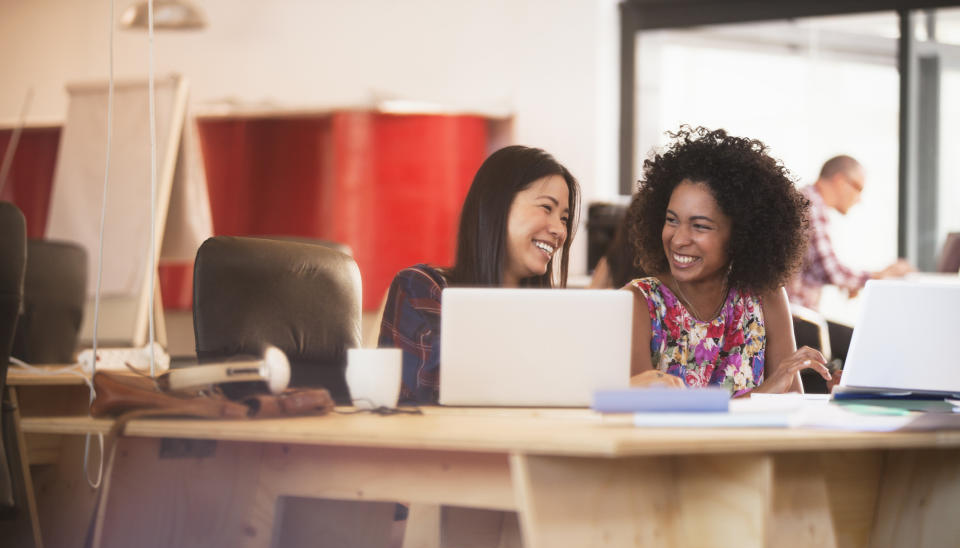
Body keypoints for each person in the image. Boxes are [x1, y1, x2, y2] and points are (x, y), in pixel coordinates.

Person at [625, 126, 830, 396]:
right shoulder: (638, 303)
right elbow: (642, 416)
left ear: (740, 235)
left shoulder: (764, 297)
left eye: (700, 226)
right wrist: (764, 393)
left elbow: (790, 408)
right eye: (672, 220)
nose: (678, 239)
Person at [378, 145, 579, 404]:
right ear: (497, 205)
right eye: (546, 208)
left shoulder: (556, 312)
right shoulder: (423, 289)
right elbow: (423, 397)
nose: (559, 230)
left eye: (564, 218)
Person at [786, 155, 912, 311]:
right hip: (796, 318)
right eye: (859, 188)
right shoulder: (811, 205)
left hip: (793, 315)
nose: (859, 199)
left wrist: (852, 283)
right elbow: (831, 271)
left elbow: (816, 268)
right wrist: (879, 276)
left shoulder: (805, 200)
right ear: (840, 182)